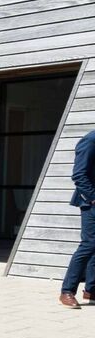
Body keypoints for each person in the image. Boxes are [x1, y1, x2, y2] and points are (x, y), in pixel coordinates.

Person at [59, 129, 95, 308]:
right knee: (89, 244)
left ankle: (91, 290)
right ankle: (67, 291)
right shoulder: (90, 140)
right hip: (90, 203)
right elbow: (79, 175)